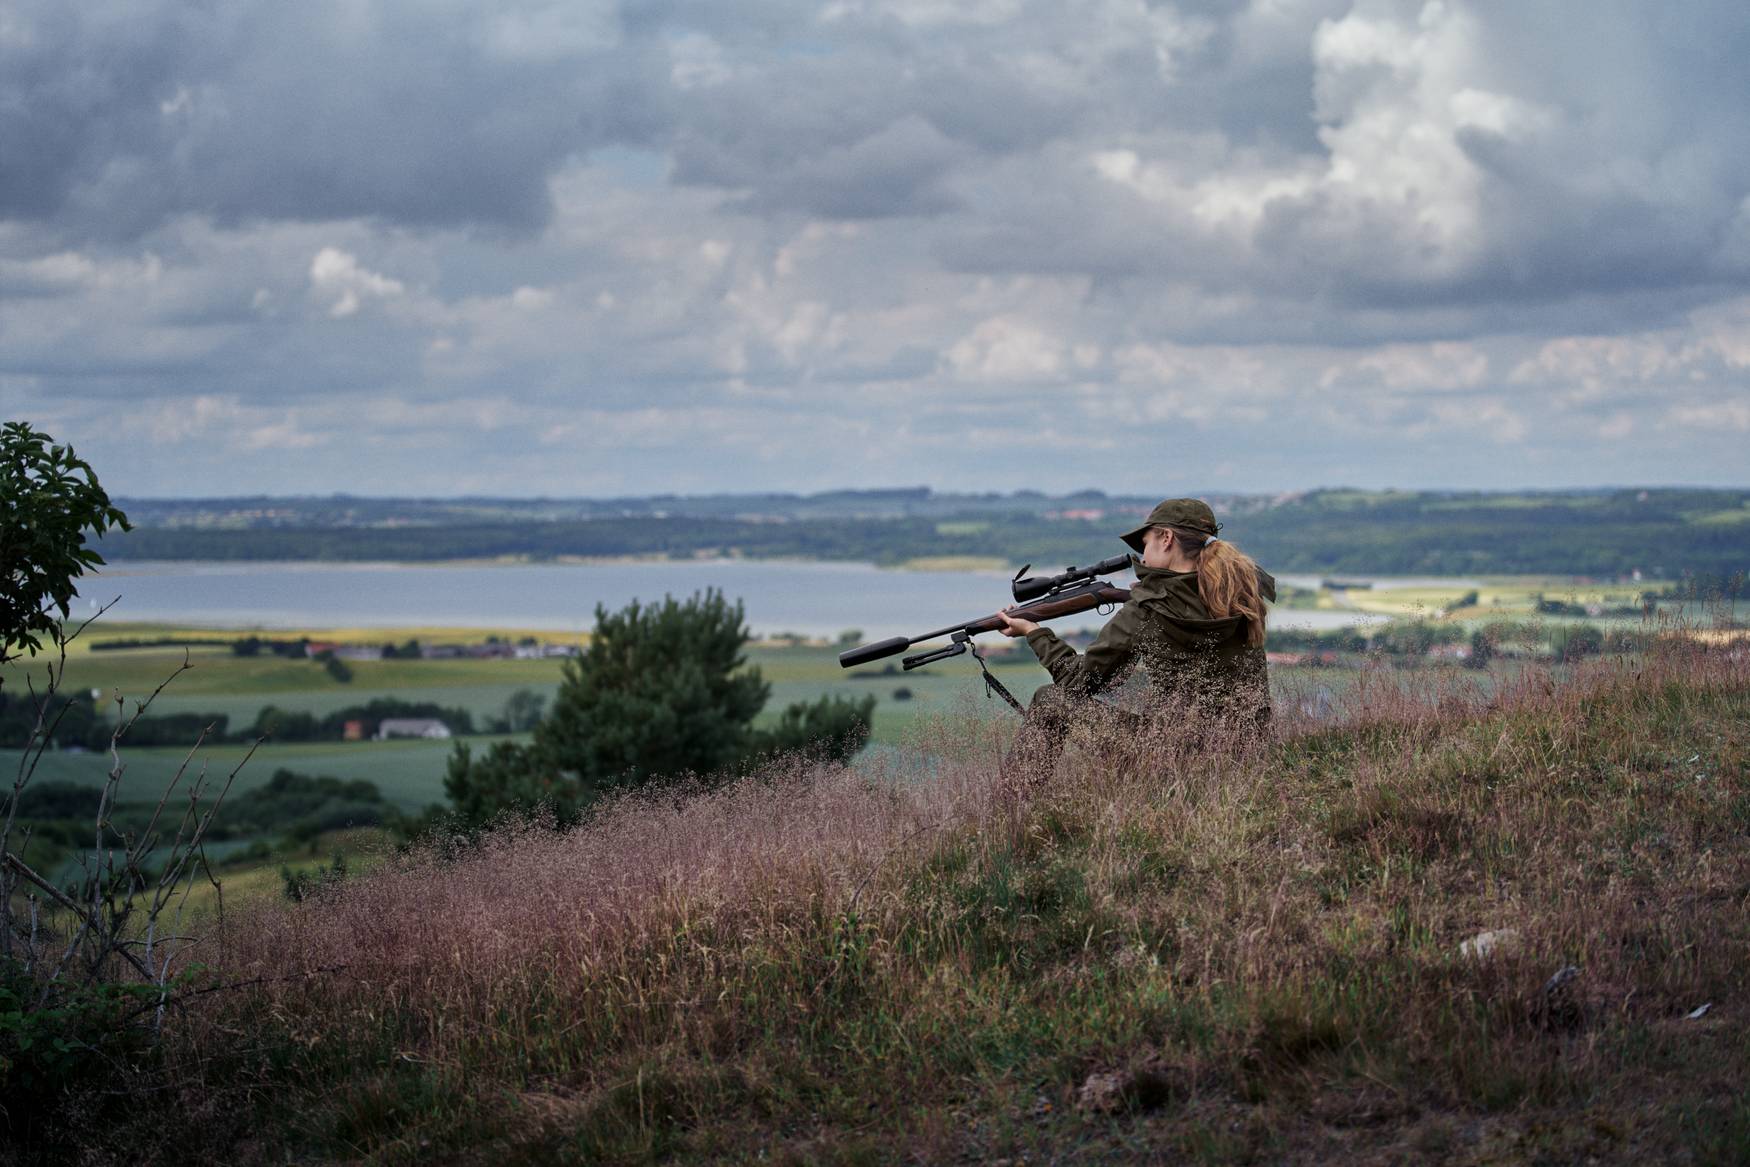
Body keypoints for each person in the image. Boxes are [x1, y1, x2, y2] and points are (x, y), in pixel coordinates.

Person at [994, 498, 1276, 786]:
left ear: (1166, 538)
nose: (1142, 558)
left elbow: (1079, 680)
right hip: (1248, 755)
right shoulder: (1241, 591)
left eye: (1145, 544)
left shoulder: (1146, 608)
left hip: (1175, 763)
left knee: (1049, 700)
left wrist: (1033, 632)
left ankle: (1008, 811)